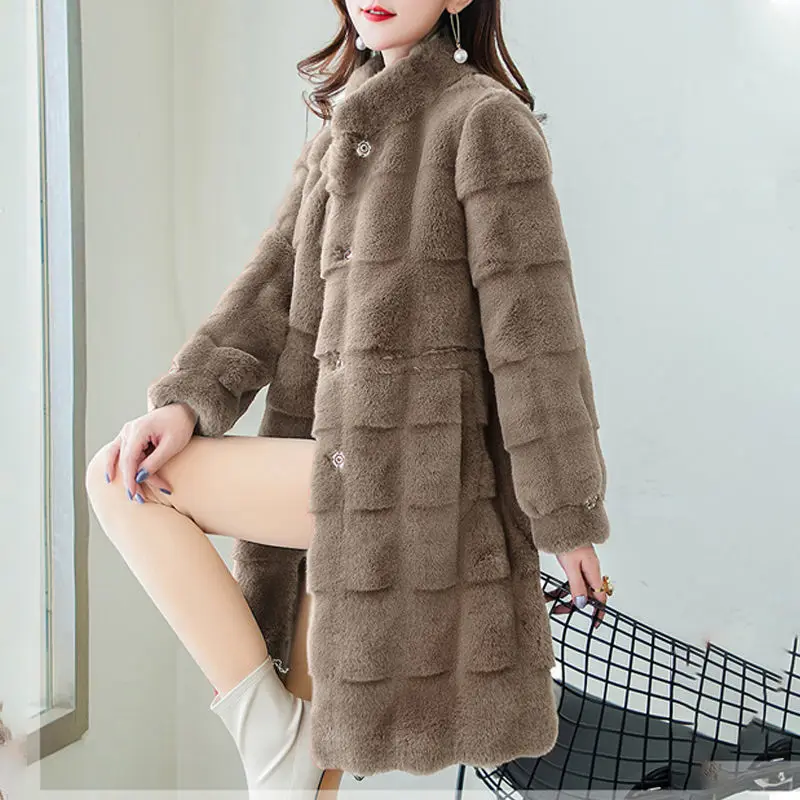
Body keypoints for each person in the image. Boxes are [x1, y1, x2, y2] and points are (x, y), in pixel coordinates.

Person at [85, 1, 613, 797]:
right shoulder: (341, 130)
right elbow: (270, 286)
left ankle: (269, 731)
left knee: (118, 484)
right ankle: (279, 734)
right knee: (305, 777)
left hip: (415, 488)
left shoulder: (485, 124)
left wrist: (567, 515)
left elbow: (535, 340)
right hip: (336, 471)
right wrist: (186, 402)